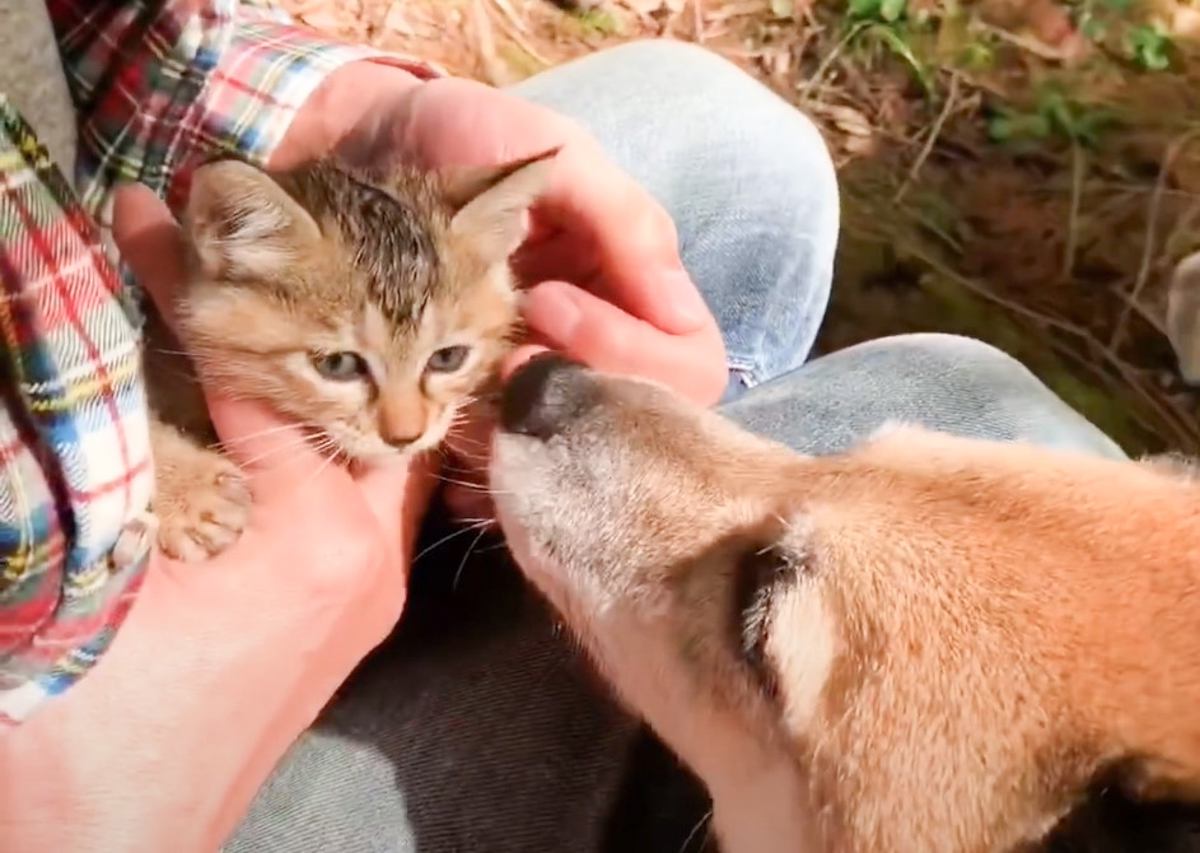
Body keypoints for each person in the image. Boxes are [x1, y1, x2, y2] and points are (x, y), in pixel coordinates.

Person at [0, 1, 1125, 850]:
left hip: (131, 442)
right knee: (973, 406)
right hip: (120, 767)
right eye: (347, 369)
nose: (404, 420)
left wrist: (355, 112)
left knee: (730, 142)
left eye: (440, 363)